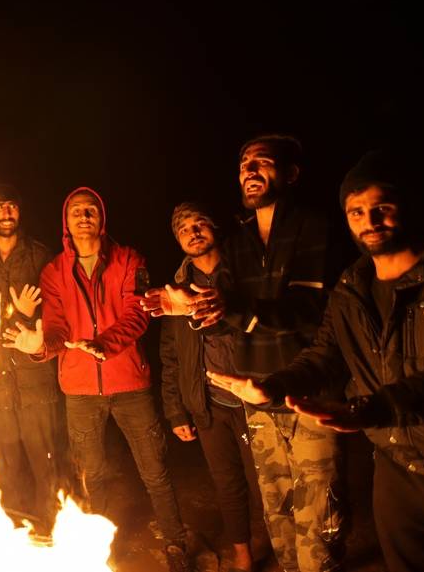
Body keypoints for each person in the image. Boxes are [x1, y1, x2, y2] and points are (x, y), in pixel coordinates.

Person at [209, 150, 424, 572]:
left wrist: (373, 408)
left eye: (382, 208)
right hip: (396, 468)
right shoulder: (352, 288)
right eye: (357, 212)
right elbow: (326, 353)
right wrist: (274, 385)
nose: (369, 221)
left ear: (407, 206)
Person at [3, 187, 189, 572]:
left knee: (154, 469)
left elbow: (137, 314)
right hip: (80, 390)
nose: (83, 216)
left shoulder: (128, 259)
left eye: (90, 210)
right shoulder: (54, 272)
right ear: (65, 222)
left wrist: (104, 343)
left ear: (102, 219)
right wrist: (39, 346)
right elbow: (55, 329)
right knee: (92, 475)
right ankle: (92, 553)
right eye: (75, 211)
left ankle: (175, 542)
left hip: (130, 384)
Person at [204, 135, 344, 572]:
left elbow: (307, 311)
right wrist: (191, 306)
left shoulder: (314, 225)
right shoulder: (237, 241)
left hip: (310, 393)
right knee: (277, 512)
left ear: (291, 174)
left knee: (318, 518)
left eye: (262, 162)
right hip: (256, 395)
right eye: (244, 163)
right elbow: (226, 310)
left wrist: (237, 310)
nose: (249, 170)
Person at [157, 202, 265, 571]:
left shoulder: (246, 271)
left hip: (254, 399)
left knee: (264, 483)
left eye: (200, 222)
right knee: (227, 483)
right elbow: (170, 354)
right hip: (209, 403)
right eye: (183, 228)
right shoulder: (177, 288)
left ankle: (288, 548)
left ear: (216, 228)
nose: (193, 231)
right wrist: (176, 410)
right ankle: (243, 557)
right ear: (178, 240)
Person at [0, 184, 60, 540]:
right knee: (5, 462)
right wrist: (15, 313)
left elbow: (53, 311)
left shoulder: (40, 255)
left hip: (35, 377)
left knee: (46, 460)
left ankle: (49, 528)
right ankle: (11, 528)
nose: (6, 212)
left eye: (12, 206)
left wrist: (27, 318)